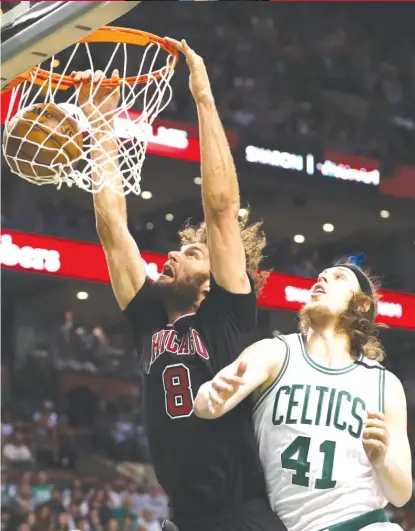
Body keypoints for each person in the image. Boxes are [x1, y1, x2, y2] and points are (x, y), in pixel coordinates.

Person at [72, 39, 285, 531]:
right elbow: (111, 226)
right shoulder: (148, 315)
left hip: (240, 517)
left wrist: (204, 99)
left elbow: (221, 209)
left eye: (192, 253)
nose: (169, 253)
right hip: (181, 520)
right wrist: (100, 126)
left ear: (215, 282)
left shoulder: (228, 313)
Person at [194, 263, 412, 531]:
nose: (322, 278)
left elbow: (401, 494)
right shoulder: (275, 353)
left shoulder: (384, 384)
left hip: (362, 523)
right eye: (321, 276)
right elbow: (207, 402)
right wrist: (210, 396)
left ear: (362, 305)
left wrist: (381, 459)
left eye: (338, 277)